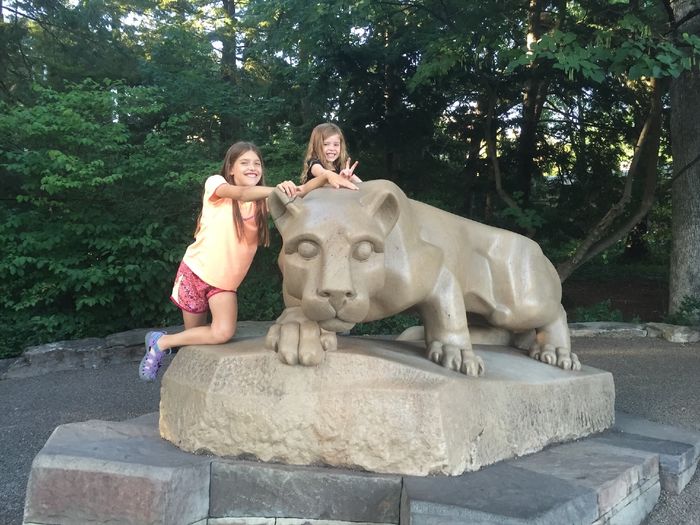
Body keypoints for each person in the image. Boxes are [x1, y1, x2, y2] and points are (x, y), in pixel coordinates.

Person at [139, 141, 357, 381]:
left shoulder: (264, 201)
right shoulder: (216, 184)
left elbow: (303, 191)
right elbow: (241, 193)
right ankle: (181, 376)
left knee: (221, 333)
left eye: (257, 163)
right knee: (196, 338)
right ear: (231, 168)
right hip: (194, 272)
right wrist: (278, 190)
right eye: (244, 162)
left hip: (223, 285)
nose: (252, 167)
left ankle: (162, 342)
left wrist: (331, 177)